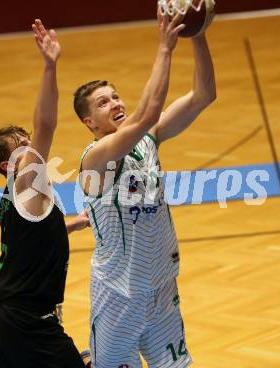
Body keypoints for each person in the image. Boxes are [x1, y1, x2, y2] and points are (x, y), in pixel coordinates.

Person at [74, 7, 216, 368]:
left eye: (116, 96)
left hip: (161, 281)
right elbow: (149, 112)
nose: (116, 103)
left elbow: (204, 94)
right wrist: (165, 48)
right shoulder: (96, 158)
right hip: (119, 292)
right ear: (90, 123)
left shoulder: (147, 139)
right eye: (103, 103)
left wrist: (197, 33)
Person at [0, 19, 89, 368]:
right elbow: (46, 124)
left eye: (29, 143)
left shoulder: (20, 197)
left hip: (7, 312)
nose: (32, 149)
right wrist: (50, 65)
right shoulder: (25, 182)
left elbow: (29, 240)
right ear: (6, 165)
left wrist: (71, 225)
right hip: (29, 321)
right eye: (23, 147)